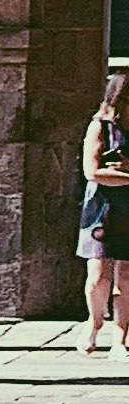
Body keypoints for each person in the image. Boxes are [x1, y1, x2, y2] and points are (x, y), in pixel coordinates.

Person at [81, 71, 129, 351]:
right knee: (98, 274)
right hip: (103, 208)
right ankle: (95, 322)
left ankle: (120, 337)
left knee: (127, 275)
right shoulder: (100, 127)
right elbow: (92, 171)